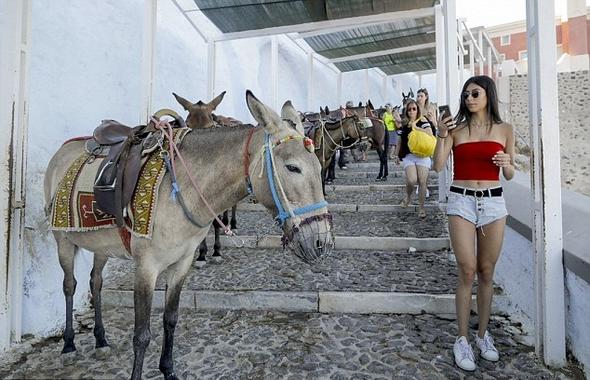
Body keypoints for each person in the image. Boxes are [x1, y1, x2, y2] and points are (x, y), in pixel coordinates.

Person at [432, 75, 515, 372]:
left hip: (493, 202)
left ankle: (483, 335)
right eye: (466, 94)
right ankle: (463, 338)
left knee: (487, 271)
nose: (469, 98)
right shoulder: (457, 129)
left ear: (488, 95)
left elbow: (510, 174)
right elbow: (438, 165)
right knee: (467, 269)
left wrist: (508, 164)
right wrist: (442, 135)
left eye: (475, 93)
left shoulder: (505, 129)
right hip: (461, 201)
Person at [393, 99, 434, 218]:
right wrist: (396, 155)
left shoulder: (423, 120)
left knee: (422, 182)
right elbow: (400, 141)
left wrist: (415, 127)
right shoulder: (404, 124)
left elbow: (430, 133)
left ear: (417, 110)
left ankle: (421, 208)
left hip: (423, 155)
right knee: (411, 180)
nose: (411, 111)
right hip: (409, 156)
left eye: (414, 109)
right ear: (406, 111)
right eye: (409, 109)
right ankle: (408, 197)